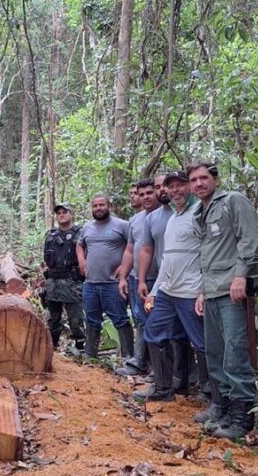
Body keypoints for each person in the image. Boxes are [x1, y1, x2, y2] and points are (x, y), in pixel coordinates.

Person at [190, 161, 258, 439]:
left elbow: (248, 239)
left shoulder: (233, 201)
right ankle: (221, 405)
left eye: (203, 178)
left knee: (234, 352)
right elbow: (206, 256)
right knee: (215, 353)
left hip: (232, 289)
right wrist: (201, 291)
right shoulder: (200, 212)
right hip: (212, 290)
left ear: (215, 180)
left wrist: (241, 276)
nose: (198, 183)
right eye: (194, 179)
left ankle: (242, 417)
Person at [133, 171, 209, 402]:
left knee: (201, 342)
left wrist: (204, 291)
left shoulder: (200, 212)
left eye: (180, 185)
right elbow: (167, 258)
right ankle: (163, 388)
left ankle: (211, 395)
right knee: (154, 332)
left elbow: (210, 253)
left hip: (191, 290)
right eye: (170, 187)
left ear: (190, 187)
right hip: (168, 291)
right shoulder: (173, 218)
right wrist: (155, 291)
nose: (175, 190)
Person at [77, 194, 131, 359]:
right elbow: (80, 245)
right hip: (91, 284)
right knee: (92, 320)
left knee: (120, 320)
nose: (98, 208)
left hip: (113, 284)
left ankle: (129, 357)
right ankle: (90, 355)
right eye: (95, 206)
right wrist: (81, 261)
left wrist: (124, 266)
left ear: (109, 206)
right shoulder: (87, 227)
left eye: (102, 205)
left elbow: (134, 246)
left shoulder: (122, 225)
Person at [116, 178, 157, 376]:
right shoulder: (135, 220)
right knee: (140, 320)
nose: (145, 197)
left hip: (157, 280)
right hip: (136, 279)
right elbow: (130, 250)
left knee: (156, 322)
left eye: (150, 192)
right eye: (141, 194)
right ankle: (140, 362)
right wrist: (123, 277)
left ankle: (159, 369)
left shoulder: (166, 215)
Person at [41, 203, 85, 354]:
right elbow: (46, 259)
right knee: (53, 320)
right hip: (53, 284)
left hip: (72, 283)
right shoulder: (51, 236)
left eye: (65, 212)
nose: (61, 214)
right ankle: (51, 349)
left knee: (76, 320)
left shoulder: (80, 233)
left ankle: (80, 349)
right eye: (58, 212)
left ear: (71, 214)